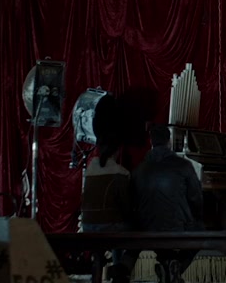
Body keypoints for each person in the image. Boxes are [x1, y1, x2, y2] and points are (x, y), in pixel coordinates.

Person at [133, 124, 204, 283]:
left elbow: (133, 200)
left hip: (146, 228)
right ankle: (177, 266)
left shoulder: (140, 168)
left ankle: (168, 266)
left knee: (158, 228)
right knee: (200, 230)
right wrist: (195, 218)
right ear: (169, 142)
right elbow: (196, 199)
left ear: (151, 142)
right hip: (177, 227)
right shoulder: (184, 165)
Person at [79, 94, 135, 283]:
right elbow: (126, 208)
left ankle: (97, 267)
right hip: (110, 227)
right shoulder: (121, 173)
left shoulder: (90, 169)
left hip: (87, 226)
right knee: (130, 229)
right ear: (117, 150)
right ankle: (120, 270)